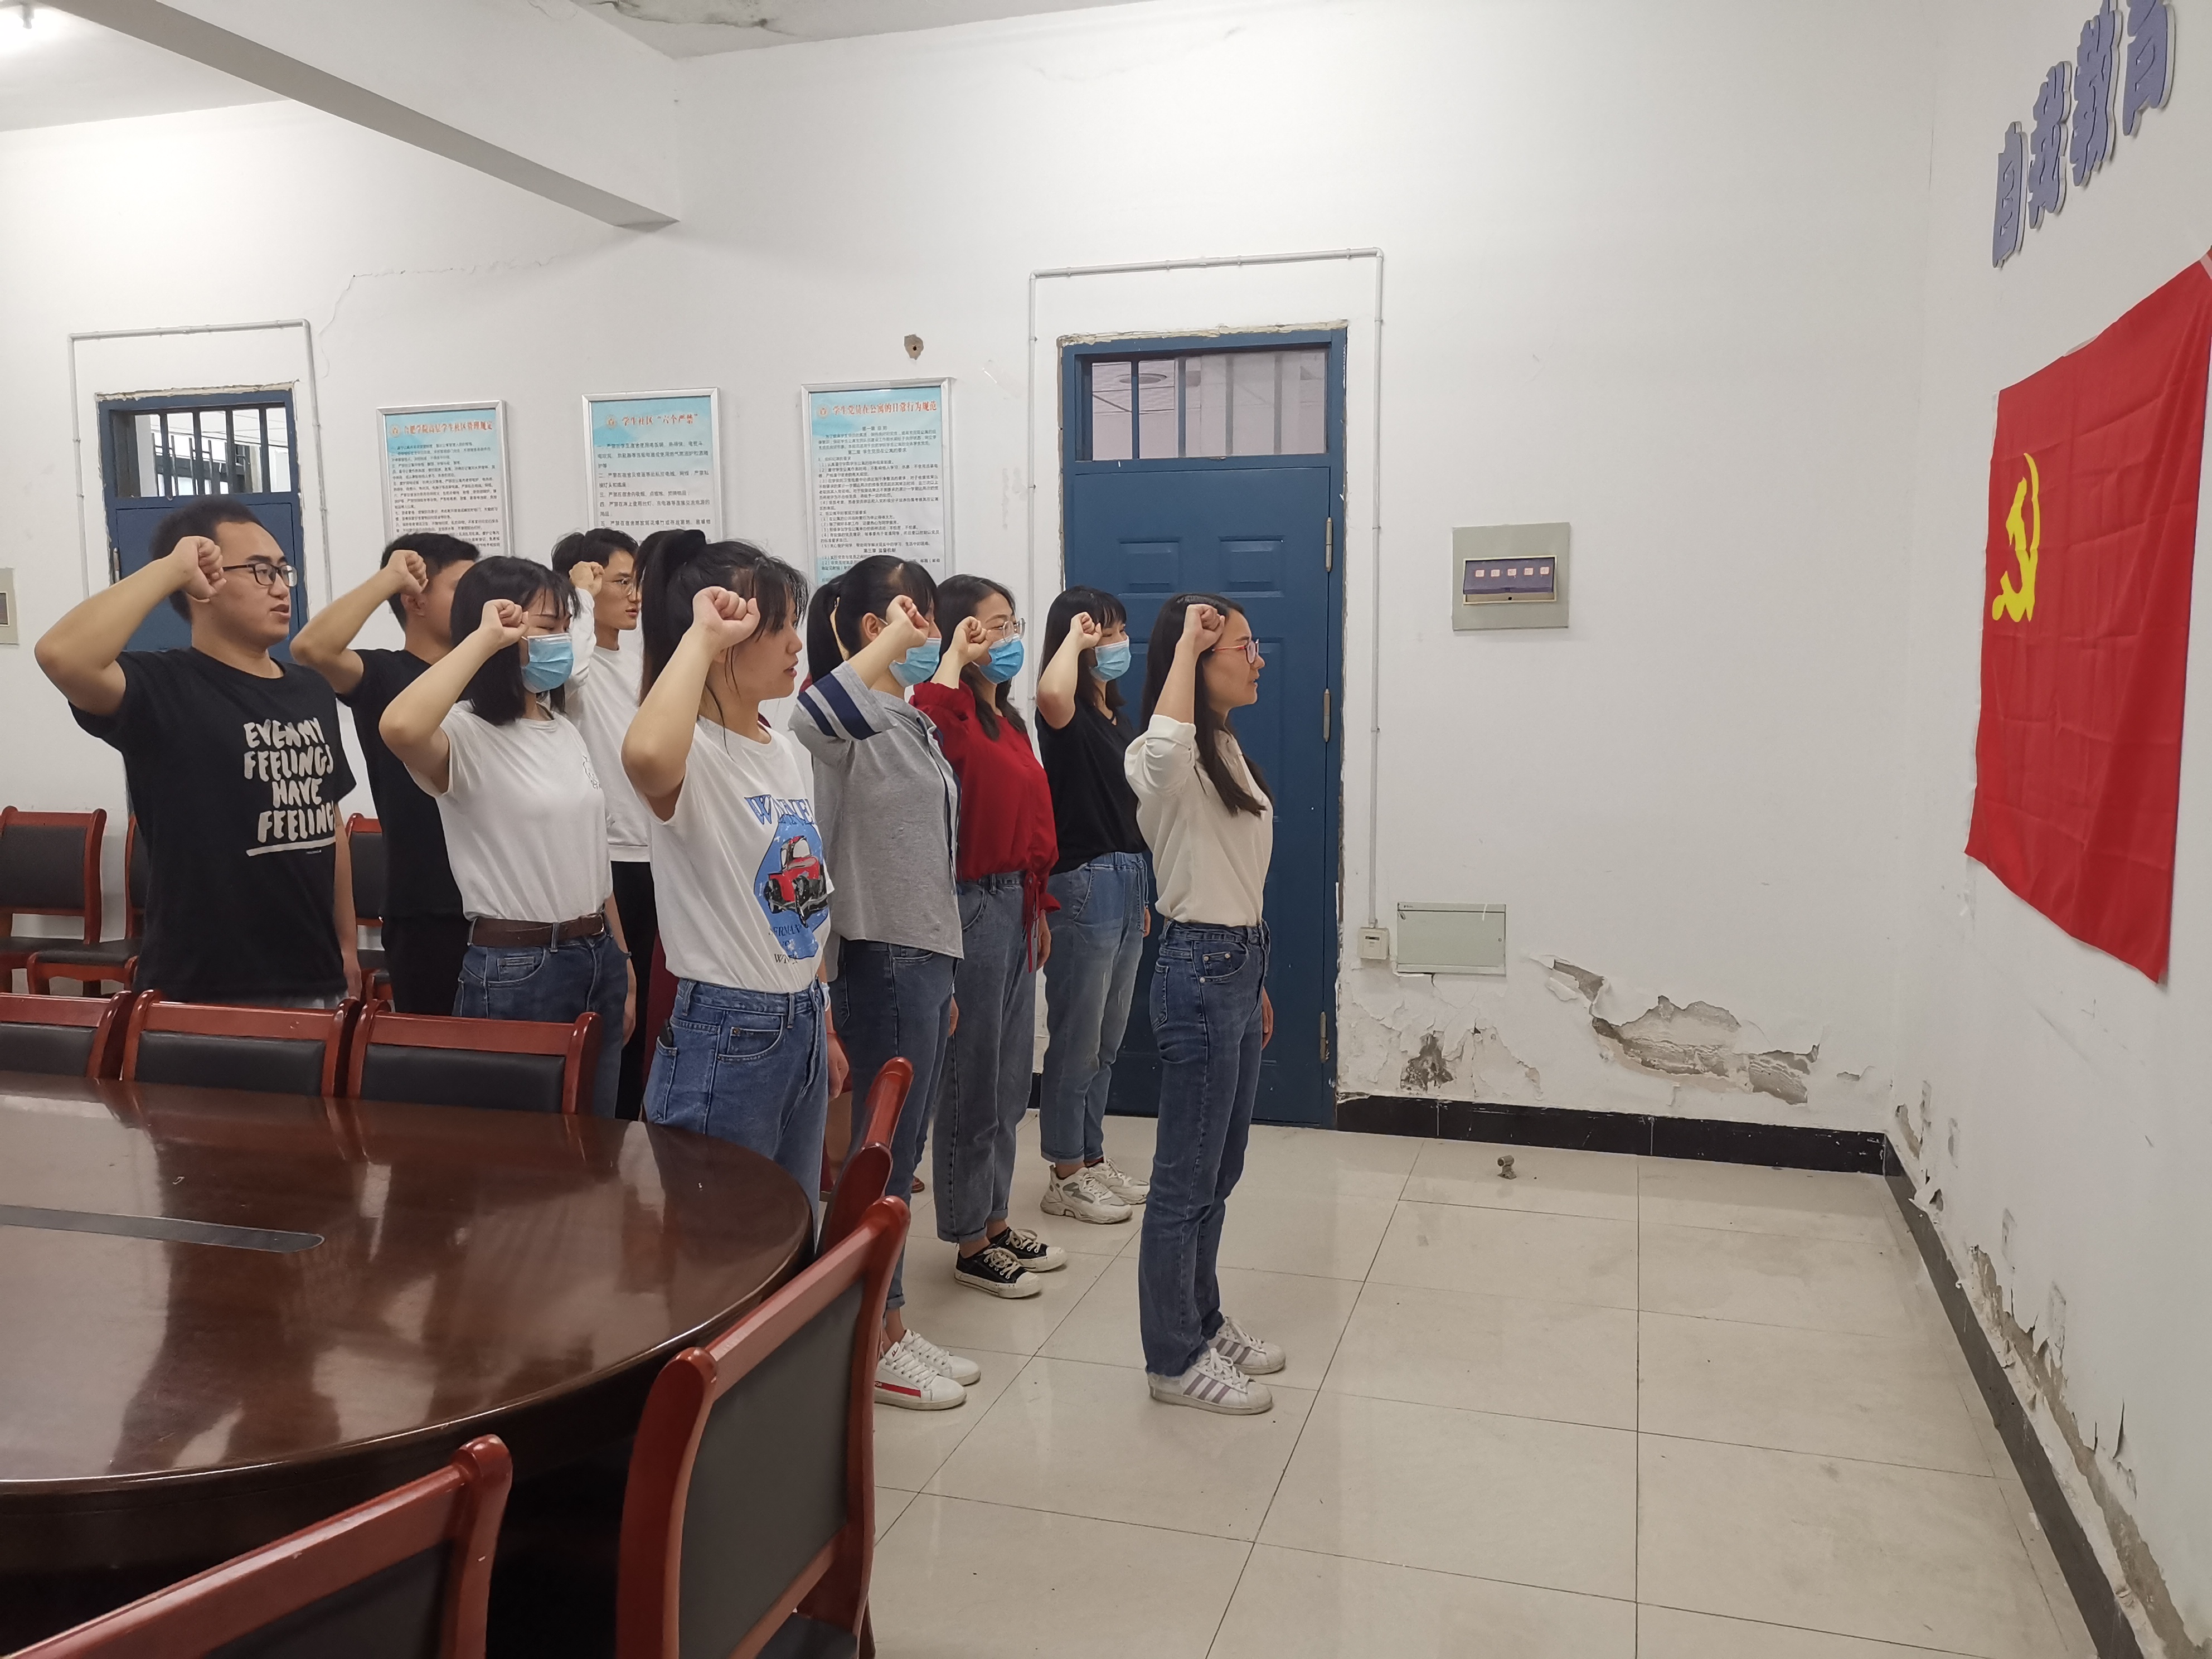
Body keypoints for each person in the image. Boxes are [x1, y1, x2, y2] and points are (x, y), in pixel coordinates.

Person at [35, 499, 359, 1007]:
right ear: (203, 581)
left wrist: (347, 946)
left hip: (317, 980)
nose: (280, 587)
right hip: (201, 985)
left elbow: (328, 821)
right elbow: (62, 654)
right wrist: (170, 569)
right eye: (260, 571)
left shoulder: (310, 689)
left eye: (283, 570)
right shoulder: (164, 686)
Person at [793, 555, 977, 1409]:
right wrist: (888, 643)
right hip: (883, 956)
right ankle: (867, 1338)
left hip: (925, 957)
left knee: (902, 1159)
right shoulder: (845, 720)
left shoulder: (905, 721)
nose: (930, 630)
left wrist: (947, 972)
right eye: (916, 615)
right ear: (878, 627)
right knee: (883, 1159)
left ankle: (890, 1322)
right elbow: (811, 709)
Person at [622, 531, 840, 1205]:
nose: (796, 646)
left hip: (800, 1014)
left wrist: (823, 1018)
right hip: (729, 1028)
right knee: (719, 1243)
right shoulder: (693, 750)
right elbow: (645, 756)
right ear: (725, 641)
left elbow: (806, 900)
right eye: (778, 628)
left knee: (791, 1226)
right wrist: (699, 636)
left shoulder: (780, 748)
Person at [377, 555, 634, 1114]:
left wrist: (621, 956)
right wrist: (484, 640)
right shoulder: (463, 733)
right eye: (544, 627)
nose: (559, 641)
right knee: (521, 1152)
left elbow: (591, 855)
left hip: (596, 954)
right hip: (520, 967)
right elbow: (398, 726)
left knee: (595, 1139)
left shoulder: (563, 727)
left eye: (565, 626)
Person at [1129, 594, 1283, 1414]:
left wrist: (1255, 983)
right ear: (1194, 658)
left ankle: (1202, 1320)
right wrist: (1189, 642)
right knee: (1184, 1176)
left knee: (1218, 1169)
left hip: (1236, 966)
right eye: (1243, 647)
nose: (1257, 660)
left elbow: (1234, 875)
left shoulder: (1224, 749)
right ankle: (1172, 1358)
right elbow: (1161, 753)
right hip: (1197, 969)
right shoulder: (1166, 755)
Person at [912, 575, 1066, 1298]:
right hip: (969, 906)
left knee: (1007, 1082)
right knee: (970, 1081)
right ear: (959, 635)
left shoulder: (1008, 720)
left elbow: (1033, 819)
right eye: (990, 627)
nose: (1006, 639)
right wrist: (951, 658)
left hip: (1016, 903)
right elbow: (929, 718)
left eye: (1010, 625)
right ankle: (969, 1237)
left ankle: (996, 1220)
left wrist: (1039, 909)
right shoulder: (944, 714)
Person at [292, 532, 478, 1013]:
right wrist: (389, 579)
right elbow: (311, 648)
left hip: (504, 905)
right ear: (415, 599)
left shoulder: (492, 676)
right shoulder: (385, 674)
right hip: (428, 907)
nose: (477, 600)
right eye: (462, 588)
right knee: (435, 1051)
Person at [1034, 585, 1153, 1224]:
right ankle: (1063, 1173)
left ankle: (1090, 1155)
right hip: (1083, 883)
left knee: (1107, 1040)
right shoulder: (1066, 716)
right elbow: (1051, 694)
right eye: (1101, 634)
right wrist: (1074, 641)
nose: (1116, 644)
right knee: (1076, 1040)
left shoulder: (1115, 720)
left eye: (1118, 631)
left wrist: (1140, 893)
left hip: (1127, 878)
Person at [552, 526, 657, 1118]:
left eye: (637, 581)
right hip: (609, 860)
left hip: (657, 852)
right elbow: (567, 678)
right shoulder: (576, 661)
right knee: (615, 1010)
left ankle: (635, 1133)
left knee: (649, 1013)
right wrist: (579, 601)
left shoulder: (643, 658)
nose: (635, 595)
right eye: (620, 582)